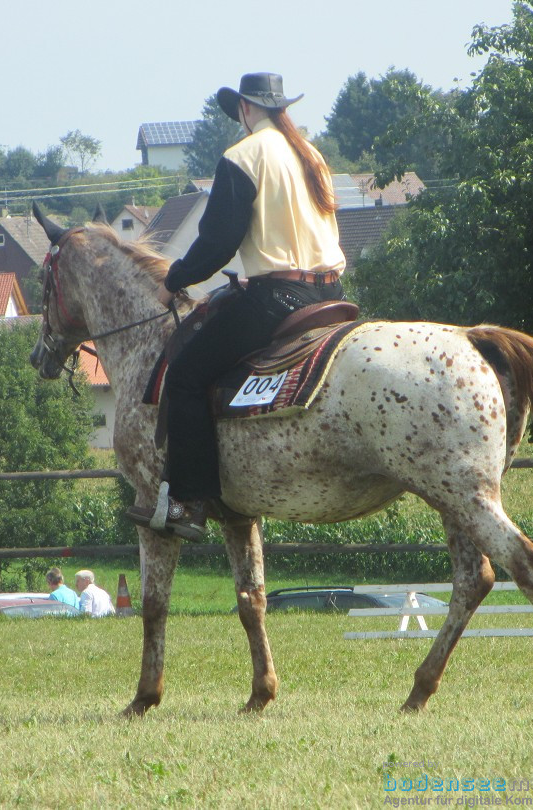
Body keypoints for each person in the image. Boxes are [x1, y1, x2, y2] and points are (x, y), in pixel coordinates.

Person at [127, 72, 347, 540]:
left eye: (239, 112)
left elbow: (216, 243)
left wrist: (175, 280)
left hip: (279, 297)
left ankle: (190, 501)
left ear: (246, 110)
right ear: (280, 107)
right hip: (331, 293)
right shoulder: (312, 155)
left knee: (186, 374)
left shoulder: (243, 156)